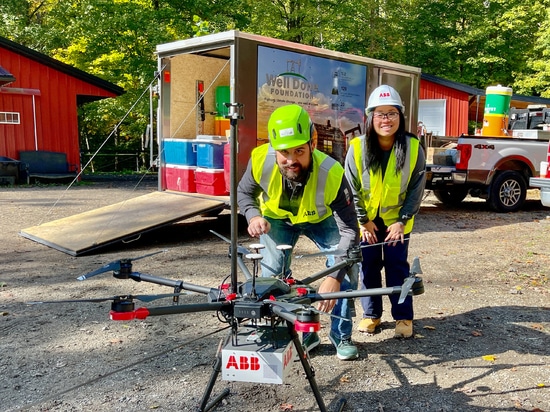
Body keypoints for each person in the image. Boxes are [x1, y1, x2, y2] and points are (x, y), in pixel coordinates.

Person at [237, 104, 361, 360]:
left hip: (321, 219)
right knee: (272, 278)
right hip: (277, 221)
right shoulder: (260, 160)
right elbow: (244, 194)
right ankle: (301, 334)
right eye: (284, 152)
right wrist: (253, 215)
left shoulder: (332, 172)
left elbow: (350, 229)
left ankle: (341, 336)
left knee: (346, 273)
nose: (291, 159)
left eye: (299, 151)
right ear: (274, 148)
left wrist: (334, 276)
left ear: (312, 145)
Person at [344, 85, 426, 338]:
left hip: (397, 223)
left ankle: (403, 318)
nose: (385, 119)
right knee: (368, 268)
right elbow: (351, 186)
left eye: (391, 113)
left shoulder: (413, 147)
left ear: (400, 117)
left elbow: (416, 188)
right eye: (379, 114)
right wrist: (363, 220)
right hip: (367, 222)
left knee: (397, 269)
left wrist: (402, 220)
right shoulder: (357, 147)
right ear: (370, 117)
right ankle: (372, 316)